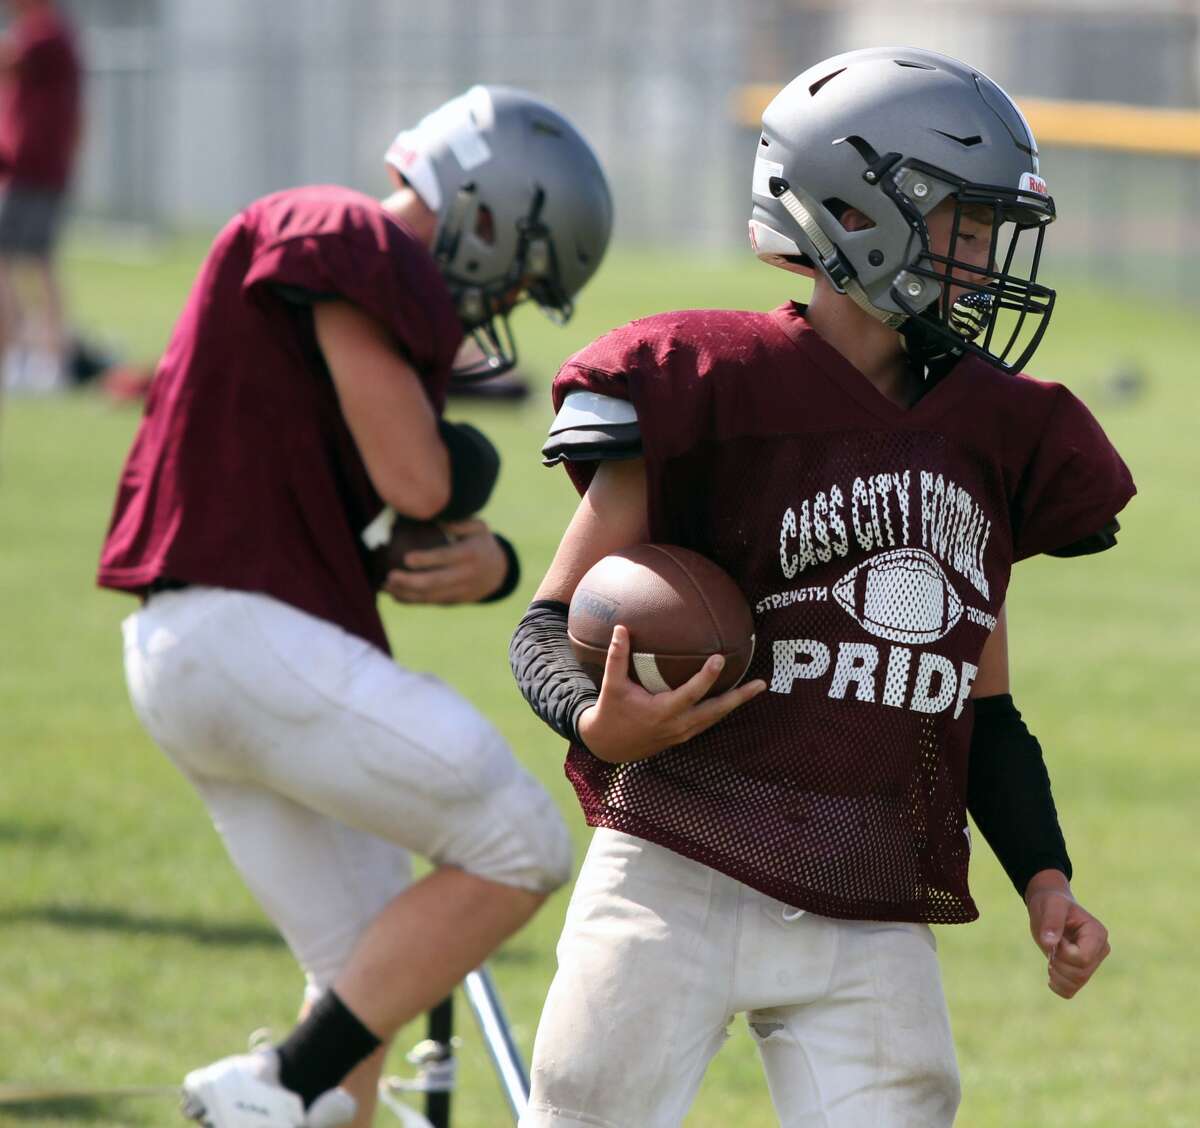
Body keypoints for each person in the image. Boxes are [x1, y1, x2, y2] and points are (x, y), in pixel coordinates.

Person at [509, 47, 1131, 1127]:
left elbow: (985, 708)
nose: (987, 263)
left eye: (994, 234)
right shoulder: (702, 385)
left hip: (865, 886)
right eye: (966, 229)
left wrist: (1045, 877)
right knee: (584, 1108)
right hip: (677, 857)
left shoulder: (998, 433)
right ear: (854, 211)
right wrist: (595, 720)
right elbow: (546, 627)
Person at [97, 85, 612, 1128]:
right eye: (518, 274)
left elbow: (384, 519)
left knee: (364, 1000)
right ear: (482, 214)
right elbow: (421, 482)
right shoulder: (341, 235)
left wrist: (493, 564)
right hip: (242, 637)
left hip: (207, 645)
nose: (501, 305)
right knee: (522, 841)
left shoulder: (333, 281)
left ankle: (293, 1089)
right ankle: (278, 1082)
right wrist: (454, 490)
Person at [0, 0, 80, 400]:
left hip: (32, 169)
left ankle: (36, 357)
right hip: (29, 168)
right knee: (28, 262)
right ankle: (38, 357)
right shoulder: (47, 35)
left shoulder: (44, 34)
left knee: (25, 262)